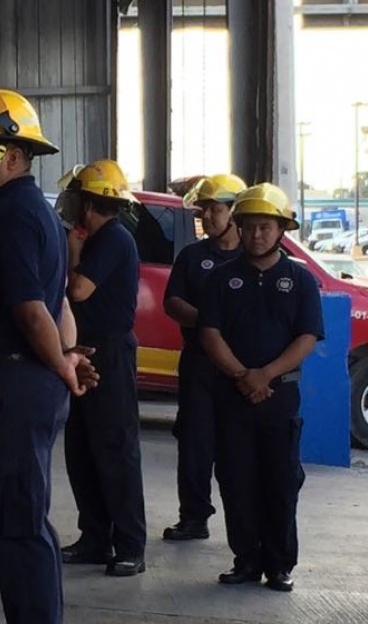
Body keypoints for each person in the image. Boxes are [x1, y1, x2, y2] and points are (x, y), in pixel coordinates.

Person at [0, 86, 96, 624]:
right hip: (20, 386)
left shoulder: (9, 216)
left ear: (6, 155)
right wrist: (67, 356)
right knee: (26, 523)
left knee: (19, 527)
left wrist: (61, 364)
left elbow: (33, 310)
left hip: (10, 388)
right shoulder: (33, 213)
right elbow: (57, 307)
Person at [197, 183, 323, 592]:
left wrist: (265, 375)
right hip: (232, 396)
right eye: (249, 227)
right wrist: (241, 376)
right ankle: (245, 560)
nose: (256, 235)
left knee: (281, 481)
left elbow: (307, 337)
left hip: (279, 397)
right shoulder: (221, 279)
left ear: (282, 229)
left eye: (265, 227)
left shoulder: (300, 280)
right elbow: (210, 333)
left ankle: (279, 564)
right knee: (236, 480)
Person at [57, 160, 147, 577]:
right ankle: (95, 538)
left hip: (109, 354)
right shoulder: (100, 239)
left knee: (114, 450)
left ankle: (129, 545)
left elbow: (78, 289)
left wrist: (73, 251)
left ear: (90, 204)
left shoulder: (113, 239)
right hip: (83, 350)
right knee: (83, 450)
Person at [161, 174, 246, 542]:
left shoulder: (253, 257)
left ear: (234, 212)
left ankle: (245, 523)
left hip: (243, 369)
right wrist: (208, 322)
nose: (208, 218)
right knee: (195, 443)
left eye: (215, 210)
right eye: (204, 211)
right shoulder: (193, 256)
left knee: (239, 449)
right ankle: (193, 517)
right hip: (199, 364)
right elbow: (173, 302)